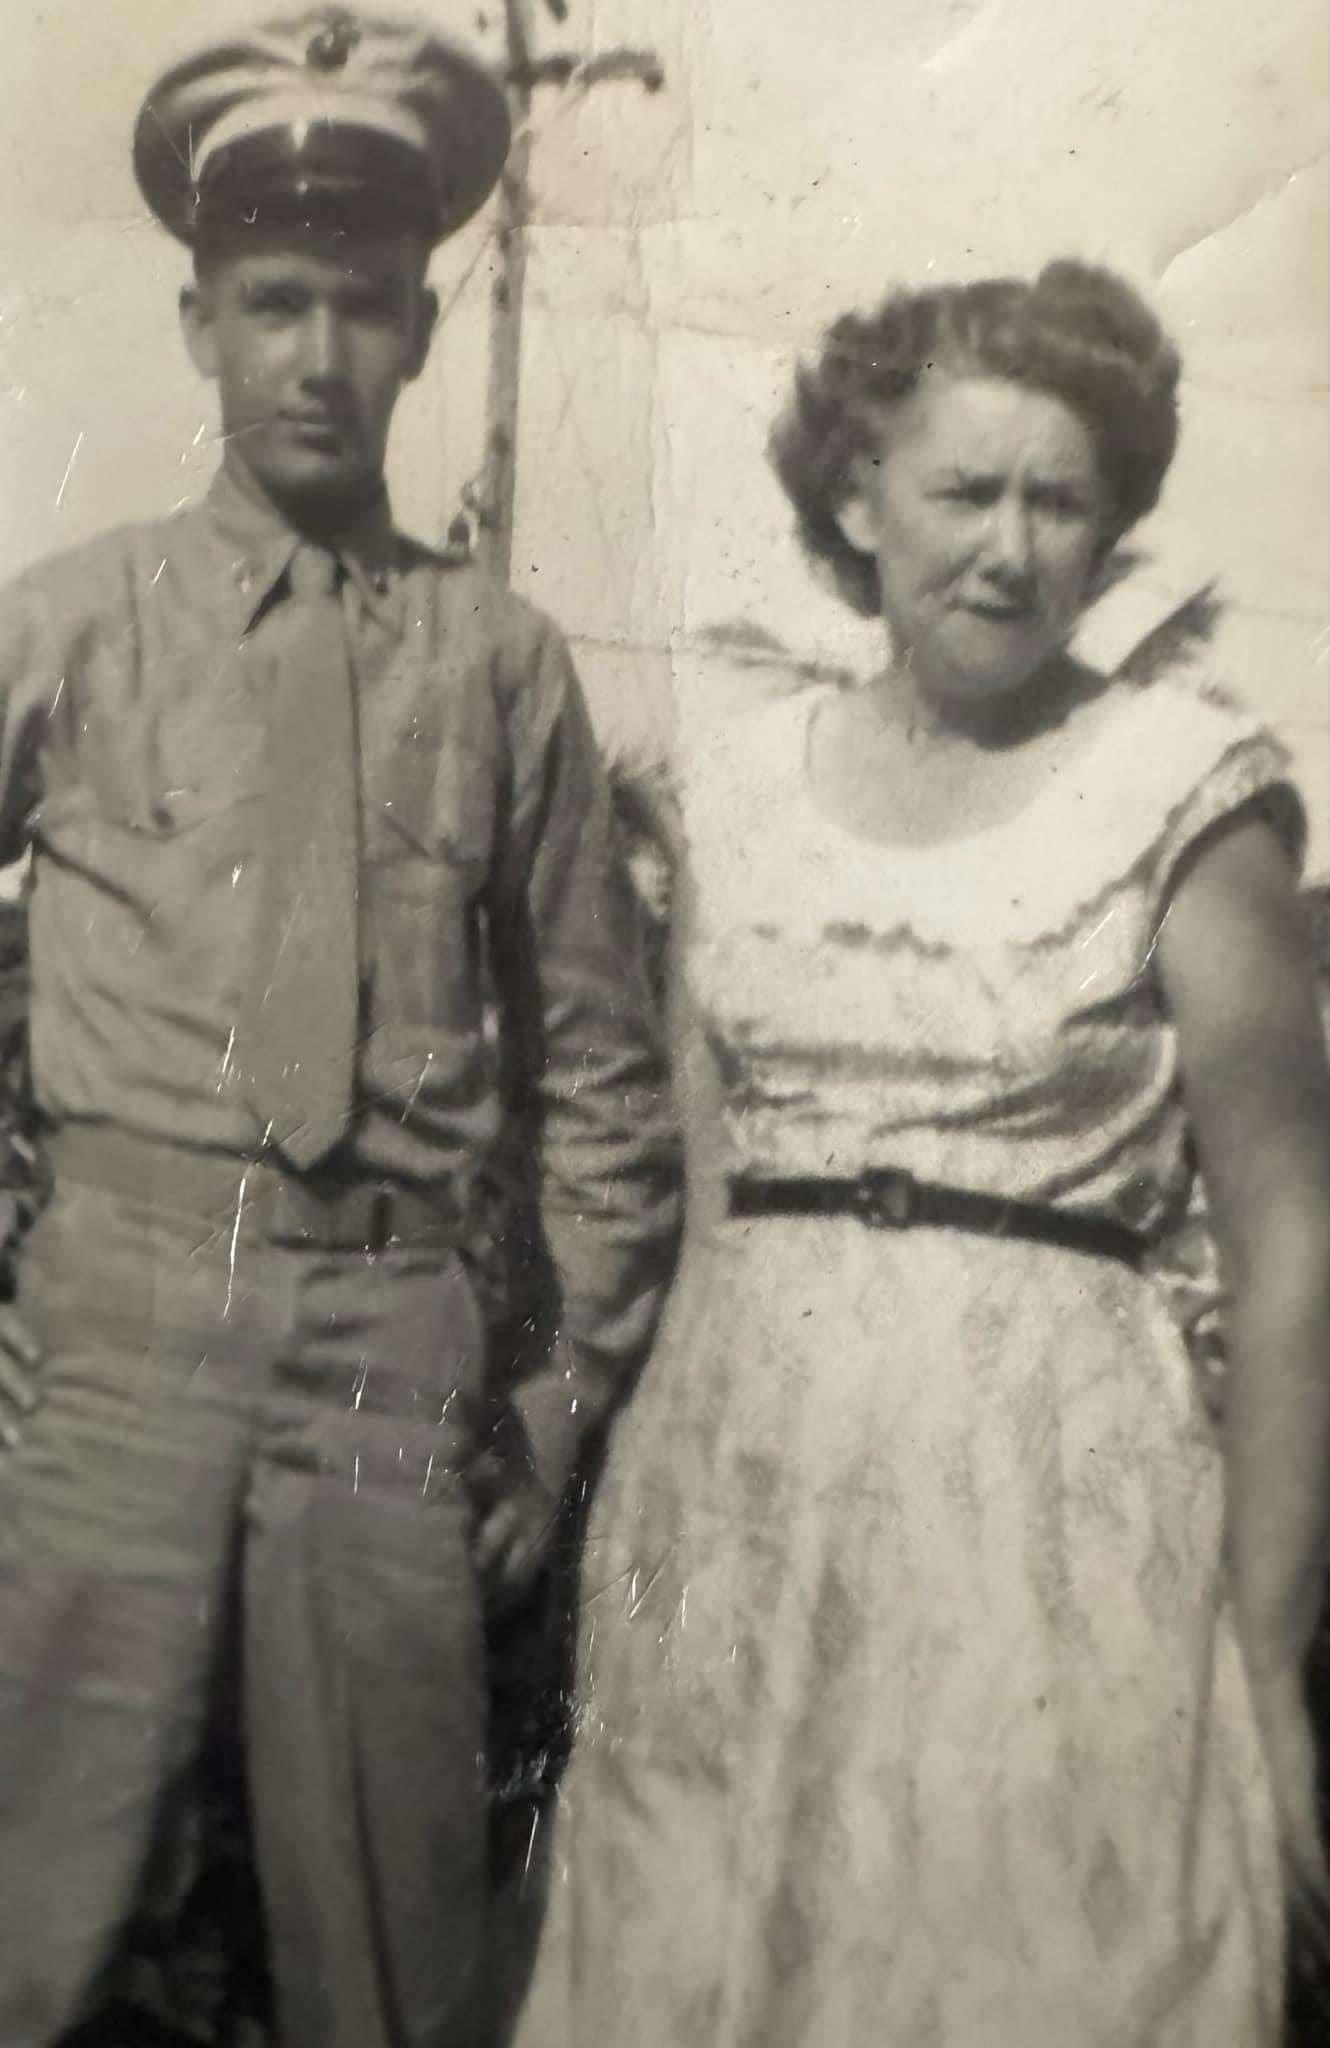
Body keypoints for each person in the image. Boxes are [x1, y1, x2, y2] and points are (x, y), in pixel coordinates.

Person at [512, 261, 1330, 2046]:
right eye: (965, 491)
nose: (1008, 548)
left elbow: (1286, 1252)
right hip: (742, 1495)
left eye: (1062, 501)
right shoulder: (730, 789)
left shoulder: (1185, 786)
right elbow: (697, 1183)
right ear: (855, 498)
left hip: (1058, 1511)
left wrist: (1262, 1650)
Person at [0, 10, 681, 2045]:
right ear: (197, 319)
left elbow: (604, 1080)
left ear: (418, 331)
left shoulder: (499, 667)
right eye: (273, 303)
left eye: (364, 309)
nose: (317, 355)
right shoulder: (72, 622)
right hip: (116, 1328)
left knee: (385, 1952)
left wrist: (554, 1416)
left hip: (388, 1353)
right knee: (23, 1914)